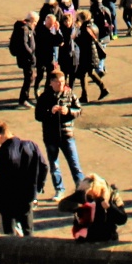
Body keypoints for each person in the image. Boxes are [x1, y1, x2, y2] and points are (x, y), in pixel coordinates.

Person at [0, 120, 49, 236]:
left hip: (8, 200)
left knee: (9, 234)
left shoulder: (3, 153)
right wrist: (38, 187)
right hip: (27, 197)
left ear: (0, 136)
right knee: (28, 232)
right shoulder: (31, 146)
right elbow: (44, 166)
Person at [34, 67, 85, 195]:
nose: (61, 84)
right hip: (51, 136)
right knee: (54, 166)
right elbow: (38, 115)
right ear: (51, 83)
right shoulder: (44, 97)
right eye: (57, 82)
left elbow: (79, 110)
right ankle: (59, 189)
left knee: (75, 165)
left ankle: (82, 190)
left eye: (62, 81)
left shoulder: (70, 94)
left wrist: (68, 111)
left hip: (67, 135)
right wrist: (50, 111)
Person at [66, 173, 128, 243]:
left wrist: (110, 207)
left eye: (92, 195)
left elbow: (122, 219)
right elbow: (64, 207)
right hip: (88, 237)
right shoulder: (84, 197)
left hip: (108, 237)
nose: (91, 198)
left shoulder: (112, 195)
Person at [9, 12, 40, 104]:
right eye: (35, 23)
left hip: (26, 57)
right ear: (32, 20)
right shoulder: (24, 29)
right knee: (29, 78)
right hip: (26, 58)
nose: (35, 25)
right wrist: (31, 55)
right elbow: (24, 44)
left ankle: (25, 97)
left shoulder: (25, 27)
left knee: (30, 77)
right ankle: (23, 98)